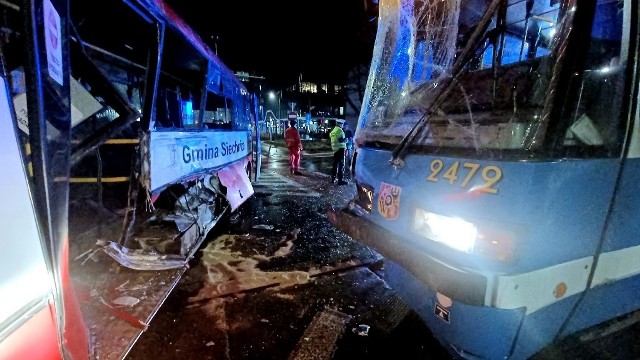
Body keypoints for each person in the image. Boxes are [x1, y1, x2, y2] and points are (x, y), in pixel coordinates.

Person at [329, 120, 348, 185]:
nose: (342, 126)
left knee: (335, 165)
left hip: (335, 150)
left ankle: (333, 179)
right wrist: (346, 140)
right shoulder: (340, 130)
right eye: (342, 124)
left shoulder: (333, 130)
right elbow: (341, 140)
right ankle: (340, 180)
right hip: (340, 149)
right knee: (341, 165)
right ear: (340, 124)